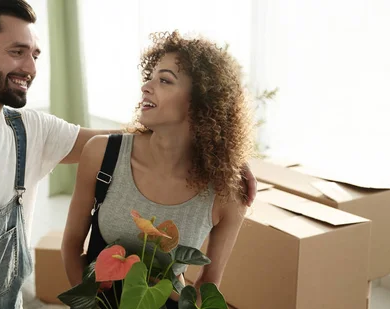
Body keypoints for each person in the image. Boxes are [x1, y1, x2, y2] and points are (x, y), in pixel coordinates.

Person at [0, 1, 257, 308]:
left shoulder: (32, 130)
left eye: (34, 54)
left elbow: (140, 141)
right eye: (16, 51)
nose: (31, 67)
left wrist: (220, 149)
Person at [61, 30, 254, 308]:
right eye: (149, 77)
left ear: (201, 102)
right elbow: (71, 245)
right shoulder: (101, 154)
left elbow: (209, 283)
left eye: (164, 80)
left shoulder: (228, 193)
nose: (146, 87)